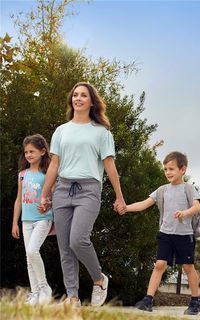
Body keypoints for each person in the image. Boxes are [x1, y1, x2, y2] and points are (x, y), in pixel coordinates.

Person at [39, 82, 126, 307]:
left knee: (78, 240)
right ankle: (73, 297)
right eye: (75, 95)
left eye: (83, 95)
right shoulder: (61, 131)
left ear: (91, 101)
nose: (78, 98)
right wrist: (44, 194)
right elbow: (54, 165)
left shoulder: (101, 132)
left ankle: (99, 279)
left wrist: (119, 196)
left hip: (88, 189)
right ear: (72, 100)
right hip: (62, 189)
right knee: (65, 247)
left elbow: (110, 165)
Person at [119, 151, 200, 315]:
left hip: (184, 235)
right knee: (159, 265)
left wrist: (185, 213)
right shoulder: (162, 190)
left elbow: (196, 206)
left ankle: (196, 301)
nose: (168, 172)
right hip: (165, 234)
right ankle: (148, 299)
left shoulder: (189, 188)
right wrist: (126, 208)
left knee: (188, 267)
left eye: (171, 169)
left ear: (183, 169)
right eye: (165, 169)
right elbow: (144, 204)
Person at [11, 134, 54, 305]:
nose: (28, 155)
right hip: (26, 221)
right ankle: (35, 293)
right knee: (29, 258)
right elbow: (18, 200)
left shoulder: (47, 173)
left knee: (32, 251)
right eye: (26, 152)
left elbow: (53, 196)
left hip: (43, 219)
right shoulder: (22, 175)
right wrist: (15, 222)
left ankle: (44, 287)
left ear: (43, 151)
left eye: (32, 151)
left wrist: (48, 204)